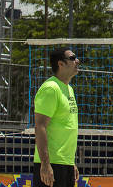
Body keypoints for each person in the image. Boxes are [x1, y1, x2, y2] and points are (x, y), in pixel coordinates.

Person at [34, 48, 80, 187]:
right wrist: (45, 164)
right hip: (52, 164)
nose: (77, 61)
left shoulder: (69, 88)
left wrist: (70, 162)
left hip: (64, 163)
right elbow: (40, 126)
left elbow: (65, 126)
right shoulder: (51, 88)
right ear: (61, 64)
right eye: (72, 58)